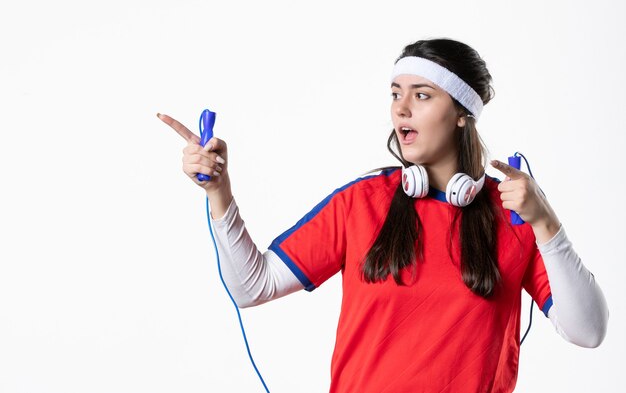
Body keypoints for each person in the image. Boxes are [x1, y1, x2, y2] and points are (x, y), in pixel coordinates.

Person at [157, 38, 609, 393]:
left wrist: (546, 225)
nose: (401, 107)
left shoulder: (514, 217)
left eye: (422, 95)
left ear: (461, 115)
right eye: (396, 94)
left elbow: (588, 332)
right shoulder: (362, 202)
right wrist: (219, 191)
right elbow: (252, 286)